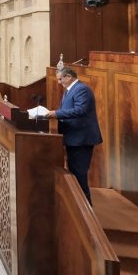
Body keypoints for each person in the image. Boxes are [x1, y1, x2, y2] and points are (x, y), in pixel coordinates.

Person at [45, 67, 103, 204]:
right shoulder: (70, 90)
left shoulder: (82, 89)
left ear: (69, 77)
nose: (59, 82)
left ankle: (86, 208)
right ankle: (79, 206)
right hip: (73, 137)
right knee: (74, 172)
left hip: (81, 139)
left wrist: (56, 113)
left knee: (79, 174)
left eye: (60, 79)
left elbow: (80, 110)